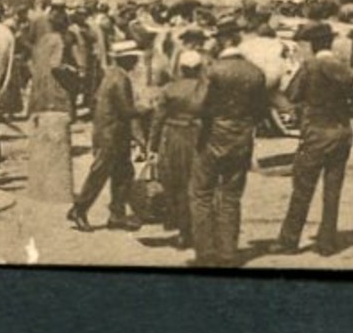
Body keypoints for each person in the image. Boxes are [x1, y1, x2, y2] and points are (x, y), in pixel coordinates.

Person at [190, 16, 270, 267]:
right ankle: (228, 252)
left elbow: (197, 106)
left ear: (223, 40)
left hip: (213, 136)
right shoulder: (255, 72)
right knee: (232, 195)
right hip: (242, 137)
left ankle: (205, 252)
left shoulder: (212, 70)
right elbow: (261, 112)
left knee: (202, 194)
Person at [276, 22, 353, 256]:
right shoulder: (343, 67)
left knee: (302, 187)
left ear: (312, 44)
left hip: (316, 132)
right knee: (333, 190)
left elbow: (292, 94)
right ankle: (327, 242)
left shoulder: (311, 66)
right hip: (341, 130)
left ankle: (289, 240)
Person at [68, 40, 144, 232]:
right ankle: (80, 209)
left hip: (113, 132)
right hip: (111, 134)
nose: (136, 61)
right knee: (100, 173)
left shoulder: (112, 75)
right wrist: (147, 110)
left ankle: (117, 215)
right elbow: (126, 110)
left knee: (124, 173)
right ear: (126, 59)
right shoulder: (119, 79)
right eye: (133, 57)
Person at [150, 49, 206, 248]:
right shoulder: (206, 88)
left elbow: (158, 119)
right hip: (200, 138)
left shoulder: (170, 89)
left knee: (178, 185)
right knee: (200, 185)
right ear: (199, 68)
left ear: (181, 68)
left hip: (174, 137)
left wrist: (153, 146)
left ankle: (183, 232)